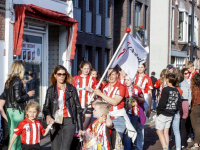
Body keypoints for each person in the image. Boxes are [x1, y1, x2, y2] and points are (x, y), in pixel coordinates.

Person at [43, 65, 83, 150]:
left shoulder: (72, 89)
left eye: (64, 74)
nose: (61, 76)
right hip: (55, 120)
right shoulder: (51, 90)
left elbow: (78, 108)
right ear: (55, 75)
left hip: (69, 120)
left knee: (65, 147)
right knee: (55, 147)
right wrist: (48, 116)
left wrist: (80, 128)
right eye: (59, 74)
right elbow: (46, 107)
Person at [94, 68, 136, 141]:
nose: (111, 76)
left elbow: (114, 102)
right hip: (105, 117)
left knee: (116, 142)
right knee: (105, 142)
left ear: (117, 75)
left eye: (113, 74)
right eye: (109, 74)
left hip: (117, 118)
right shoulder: (105, 86)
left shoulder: (121, 87)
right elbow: (102, 100)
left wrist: (100, 94)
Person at [0, 60, 35, 150]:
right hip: (17, 111)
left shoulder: (9, 81)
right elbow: (18, 98)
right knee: (17, 134)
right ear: (20, 69)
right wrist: (28, 95)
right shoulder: (17, 81)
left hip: (10, 110)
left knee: (13, 133)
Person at [156, 73, 182, 150]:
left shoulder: (166, 89)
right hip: (171, 113)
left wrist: (158, 112)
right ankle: (166, 147)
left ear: (167, 80)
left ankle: (165, 148)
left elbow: (162, 103)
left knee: (159, 131)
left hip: (163, 113)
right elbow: (179, 103)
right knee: (166, 131)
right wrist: (174, 110)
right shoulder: (176, 90)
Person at [72, 61, 97, 130]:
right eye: (85, 68)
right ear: (81, 68)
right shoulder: (75, 79)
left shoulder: (93, 79)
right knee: (76, 126)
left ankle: (82, 139)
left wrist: (91, 90)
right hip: (77, 105)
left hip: (88, 105)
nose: (86, 70)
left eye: (88, 68)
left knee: (84, 127)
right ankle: (77, 139)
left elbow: (96, 93)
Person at [123, 75, 145, 150]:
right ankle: (127, 147)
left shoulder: (137, 88)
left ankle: (133, 146)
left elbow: (143, 100)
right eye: (125, 80)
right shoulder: (123, 88)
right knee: (126, 131)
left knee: (133, 131)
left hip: (134, 113)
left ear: (132, 81)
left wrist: (137, 98)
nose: (126, 81)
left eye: (128, 80)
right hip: (125, 113)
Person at [179, 68, 191, 150]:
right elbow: (190, 96)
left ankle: (178, 143)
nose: (187, 74)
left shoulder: (178, 84)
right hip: (186, 102)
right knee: (183, 124)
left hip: (179, 103)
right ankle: (183, 144)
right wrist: (189, 104)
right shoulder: (187, 84)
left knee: (178, 125)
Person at [188, 73, 200, 150]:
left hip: (195, 107)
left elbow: (193, 100)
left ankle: (196, 143)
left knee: (196, 126)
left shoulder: (194, 88)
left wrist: (191, 109)